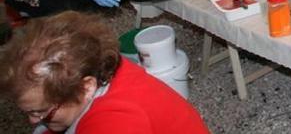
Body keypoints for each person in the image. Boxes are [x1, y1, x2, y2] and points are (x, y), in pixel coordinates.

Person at [0, 11, 210, 133]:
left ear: (87, 86)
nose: (32, 120)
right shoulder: (101, 65)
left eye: (39, 111)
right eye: (29, 112)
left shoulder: (115, 123)